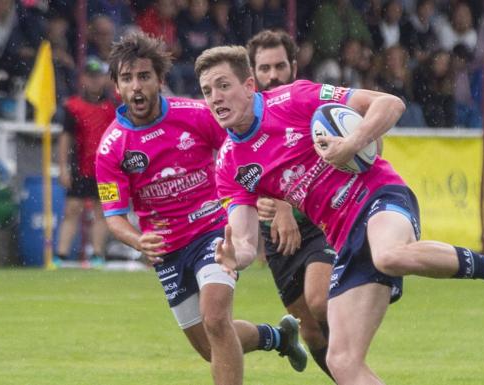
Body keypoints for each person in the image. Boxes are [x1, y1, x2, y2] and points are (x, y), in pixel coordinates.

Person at [194, 45, 484, 385]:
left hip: (378, 195)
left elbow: (390, 103)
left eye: (223, 86)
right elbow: (243, 239)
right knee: (341, 361)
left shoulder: (292, 98)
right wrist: (235, 258)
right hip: (344, 238)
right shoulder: (229, 164)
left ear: (247, 85)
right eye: (207, 91)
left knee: (388, 255)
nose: (215, 98)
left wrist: (351, 144)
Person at [95, 32, 306, 385]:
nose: (137, 86)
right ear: (116, 86)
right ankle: (277, 337)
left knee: (214, 318)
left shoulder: (195, 115)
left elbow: (251, 151)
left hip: (214, 231)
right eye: (127, 78)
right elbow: (114, 216)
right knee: (211, 346)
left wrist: (276, 202)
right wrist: (138, 241)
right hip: (167, 250)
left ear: (160, 80)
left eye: (144, 76)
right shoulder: (110, 148)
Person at [246, 29, 334, 379]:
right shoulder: (241, 114)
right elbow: (238, 172)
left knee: (320, 300)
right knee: (310, 330)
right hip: (276, 237)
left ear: (294, 66)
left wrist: (284, 202)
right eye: (264, 68)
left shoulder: (308, 102)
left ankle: (376, 285)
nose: (273, 76)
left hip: (319, 219)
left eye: (280, 66)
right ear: (251, 74)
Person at [54, 57, 115, 268]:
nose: (94, 81)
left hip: (107, 169)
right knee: (72, 209)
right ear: (83, 79)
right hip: (80, 167)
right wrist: (63, 168)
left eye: (98, 77)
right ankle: (60, 257)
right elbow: (65, 139)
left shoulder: (114, 106)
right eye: (91, 76)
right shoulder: (73, 107)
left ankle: (97, 255)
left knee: (103, 212)